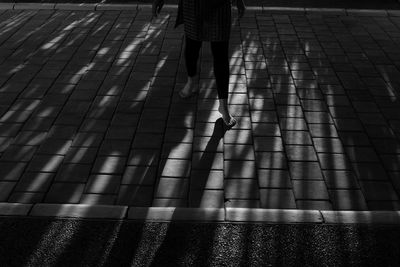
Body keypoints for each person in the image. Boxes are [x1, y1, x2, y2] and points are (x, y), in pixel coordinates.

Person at [152, 0, 246, 128]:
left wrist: (239, 0)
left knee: (221, 53)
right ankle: (191, 82)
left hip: (220, 5)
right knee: (192, 46)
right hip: (193, 4)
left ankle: (223, 105)